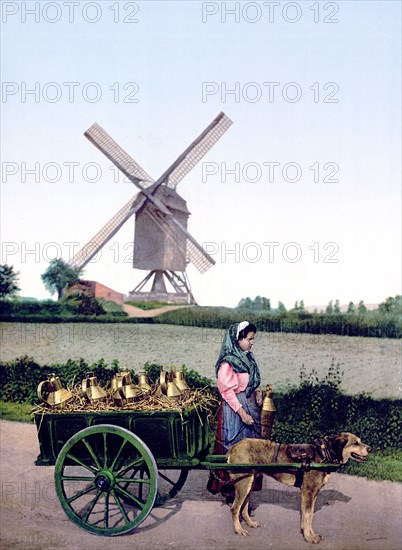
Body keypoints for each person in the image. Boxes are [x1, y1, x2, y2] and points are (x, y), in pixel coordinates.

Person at [207, 321, 263, 500]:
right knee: (236, 450)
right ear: (236, 339)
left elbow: (247, 383)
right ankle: (232, 493)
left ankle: (245, 491)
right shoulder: (228, 362)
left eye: (252, 339)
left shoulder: (248, 358)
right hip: (235, 411)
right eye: (248, 339)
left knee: (251, 451)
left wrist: (257, 392)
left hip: (249, 406)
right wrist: (242, 413)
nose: (251, 342)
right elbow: (226, 391)